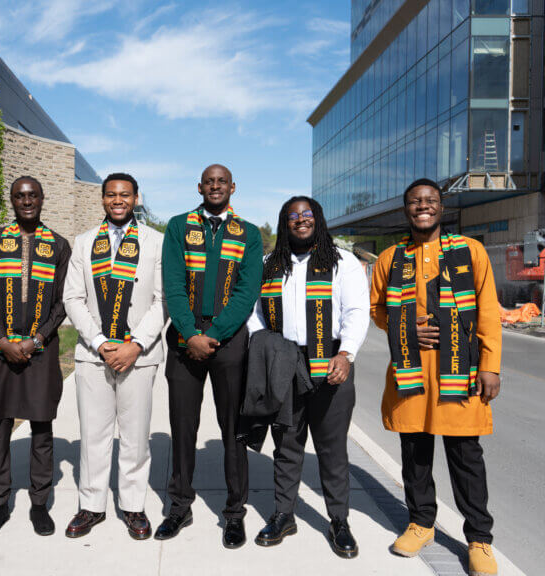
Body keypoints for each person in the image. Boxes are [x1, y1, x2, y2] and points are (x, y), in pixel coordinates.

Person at [370, 179, 501, 576]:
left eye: (430, 201)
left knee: (466, 458)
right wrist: (406, 327)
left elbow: (489, 308)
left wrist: (491, 365)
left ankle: (479, 538)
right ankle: (422, 523)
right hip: (412, 372)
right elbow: (378, 309)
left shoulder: (469, 251)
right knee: (415, 455)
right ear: (405, 209)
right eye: (415, 202)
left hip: (459, 372)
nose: (422, 207)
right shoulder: (390, 258)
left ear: (441, 208)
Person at [245, 197, 369, 557]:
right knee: (286, 445)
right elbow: (254, 313)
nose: (301, 221)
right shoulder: (270, 264)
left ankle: (339, 520)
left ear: (318, 219)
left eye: (307, 215)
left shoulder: (341, 262)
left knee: (332, 449)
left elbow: (357, 312)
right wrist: (264, 343)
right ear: (285, 222)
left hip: (330, 359)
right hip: (284, 360)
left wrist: (346, 354)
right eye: (293, 216)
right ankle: (284, 514)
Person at [157, 164, 262, 549]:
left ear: (232, 187)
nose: (215, 186)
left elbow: (248, 291)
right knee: (183, 427)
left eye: (222, 181)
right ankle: (179, 505)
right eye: (209, 181)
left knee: (234, 428)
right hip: (186, 337)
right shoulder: (177, 226)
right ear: (199, 186)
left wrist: (214, 335)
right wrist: (190, 334)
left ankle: (235, 514)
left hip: (229, 340)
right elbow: (172, 282)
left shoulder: (247, 233)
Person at [62, 172, 165, 540]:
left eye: (125, 194)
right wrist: (100, 342)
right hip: (95, 356)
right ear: (102, 199)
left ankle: (133, 506)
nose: (117, 200)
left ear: (137, 198)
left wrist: (135, 344)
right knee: (93, 434)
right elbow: (73, 297)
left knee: (136, 437)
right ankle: (91, 505)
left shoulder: (156, 242)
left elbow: (163, 300)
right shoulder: (84, 242)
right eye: (110, 195)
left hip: (140, 355)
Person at [0, 176, 72, 539]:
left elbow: (63, 301)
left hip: (40, 350)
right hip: (0, 350)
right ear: (12, 200)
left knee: (41, 425)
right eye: (19, 196)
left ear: (42, 198)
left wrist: (38, 338)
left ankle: (38, 503)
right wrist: (1, 339)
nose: (26, 200)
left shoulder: (58, 245)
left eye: (32, 195)